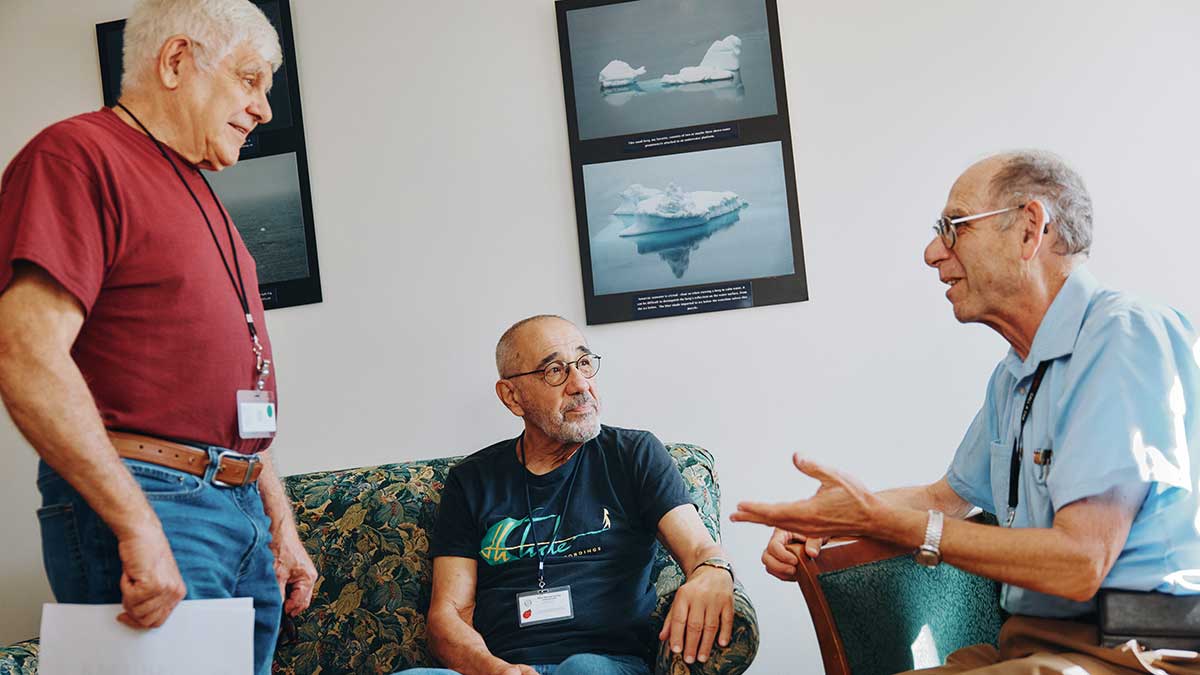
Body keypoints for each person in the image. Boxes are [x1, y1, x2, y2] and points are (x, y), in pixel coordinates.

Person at [735, 151, 1200, 674]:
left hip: (1135, 653)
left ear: (1029, 230)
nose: (932, 252)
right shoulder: (1013, 377)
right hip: (1028, 648)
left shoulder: (1125, 337)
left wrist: (890, 523)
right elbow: (945, 498)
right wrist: (822, 522)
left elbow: (1079, 564)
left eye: (953, 228)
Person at [0, 1, 316, 672]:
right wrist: (135, 521)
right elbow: (24, 353)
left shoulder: (201, 191)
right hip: (159, 501)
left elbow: (235, 398)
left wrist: (278, 524)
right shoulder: (77, 155)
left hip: (237, 512)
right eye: (251, 78)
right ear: (175, 62)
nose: (262, 108)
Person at [397, 315, 735, 675]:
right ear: (512, 396)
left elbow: (699, 548)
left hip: (605, 664)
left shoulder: (633, 454)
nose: (580, 384)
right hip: (501, 669)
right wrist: (494, 670)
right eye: (555, 370)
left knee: (582, 670)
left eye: (585, 363)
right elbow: (450, 613)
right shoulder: (472, 480)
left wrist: (713, 571)